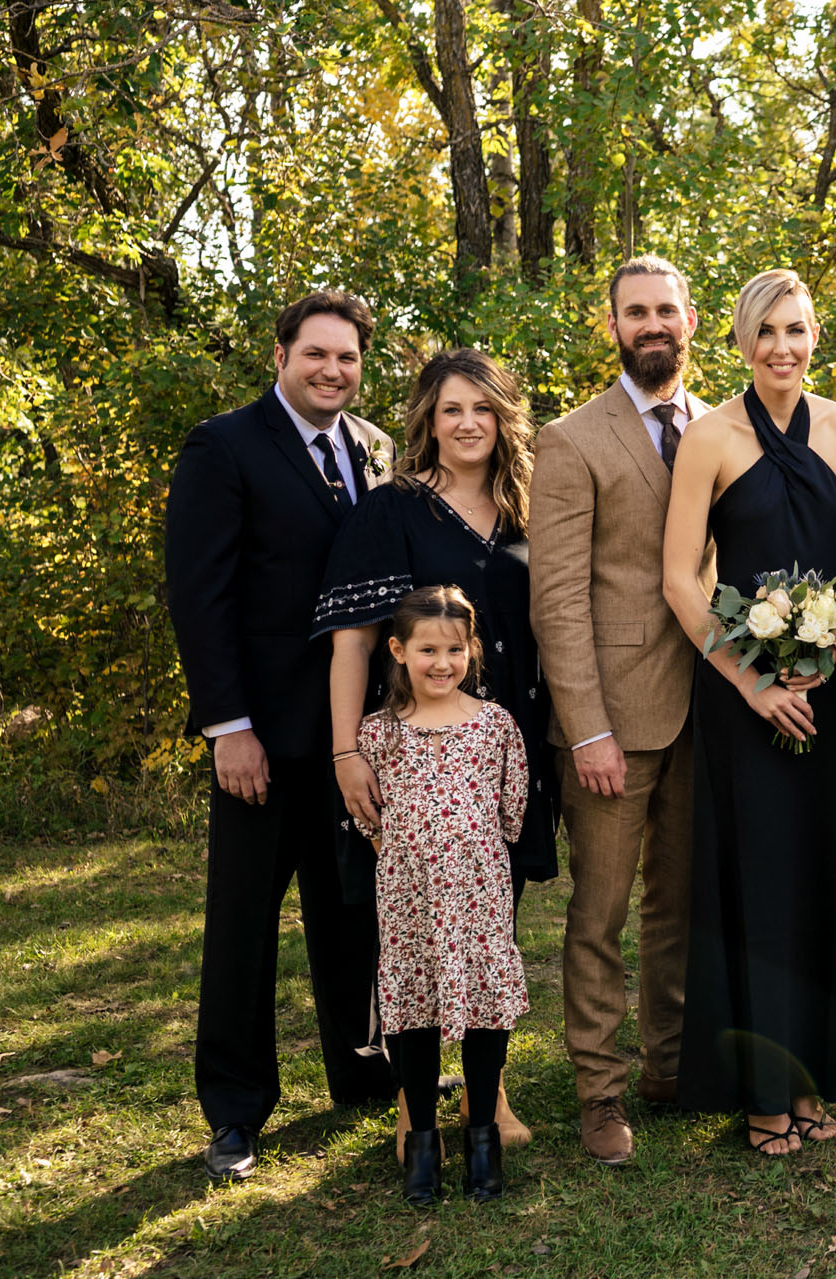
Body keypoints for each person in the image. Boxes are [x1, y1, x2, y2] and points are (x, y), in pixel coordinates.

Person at [665, 269, 836, 1155]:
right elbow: (679, 577)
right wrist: (751, 680)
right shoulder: (709, 436)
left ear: (816, 336)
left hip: (826, 685)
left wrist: (834, 639)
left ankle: (816, 1077)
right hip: (742, 692)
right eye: (766, 331)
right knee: (759, 882)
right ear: (738, 341)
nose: (782, 347)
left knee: (826, 869)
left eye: (797, 330)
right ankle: (764, 1094)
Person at [164, 290, 398, 1182]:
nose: (332, 370)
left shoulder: (373, 449)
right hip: (258, 740)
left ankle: (365, 1072)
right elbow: (200, 595)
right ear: (280, 355)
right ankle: (234, 1109)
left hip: (353, 738)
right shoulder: (224, 446)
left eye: (346, 358)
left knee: (353, 914)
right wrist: (230, 727)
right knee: (243, 928)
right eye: (316, 355)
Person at [315, 348, 552, 1152]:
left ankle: (487, 1095)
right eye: (452, 409)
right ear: (428, 418)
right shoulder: (393, 510)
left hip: (499, 748)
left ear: (503, 419)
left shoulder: (527, 509)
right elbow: (352, 643)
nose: (467, 423)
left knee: (494, 920)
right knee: (410, 928)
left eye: (483, 409)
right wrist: (347, 751)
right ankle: (416, 1102)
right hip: (411, 758)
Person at [528, 255, 710, 1167]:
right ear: (612, 327)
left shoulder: (724, 428)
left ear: (691, 321)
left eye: (665, 310)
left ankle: (669, 1065)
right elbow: (557, 597)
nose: (651, 324)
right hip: (611, 719)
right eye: (634, 312)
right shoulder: (570, 440)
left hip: (709, 710)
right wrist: (586, 726)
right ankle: (598, 1092)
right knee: (599, 912)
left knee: (679, 903)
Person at [350, 586, 530, 1207]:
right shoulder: (376, 736)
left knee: (484, 1008)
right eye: (427, 649)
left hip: (478, 895)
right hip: (409, 897)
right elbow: (371, 821)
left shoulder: (495, 727)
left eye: (455, 649)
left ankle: (484, 1135)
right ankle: (422, 1140)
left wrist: (469, 861)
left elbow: (512, 813)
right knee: (416, 1008)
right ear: (399, 651)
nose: (442, 663)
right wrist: (414, 859)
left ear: (470, 650)